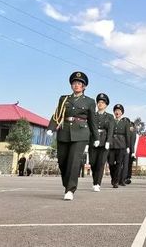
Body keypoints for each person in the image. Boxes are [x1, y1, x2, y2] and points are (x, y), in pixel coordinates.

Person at [46, 71, 98, 201]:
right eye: (74, 83)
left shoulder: (90, 102)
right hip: (64, 132)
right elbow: (57, 114)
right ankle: (67, 184)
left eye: (79, 83)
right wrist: (51, 128)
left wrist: (96, 137)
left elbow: (92, 121)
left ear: (84, 86)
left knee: (74, 162)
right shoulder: (64, 99)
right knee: (62, 161)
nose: (76, 85)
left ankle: (70, 189)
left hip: (81, 133)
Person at [90, 93, 114, 192]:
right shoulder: (92, 115)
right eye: (99, 102)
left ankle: (97, 183)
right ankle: (95, 181)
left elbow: (111, 130)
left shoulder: (109, 116)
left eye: (102, 102)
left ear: (106, 105)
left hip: (104, 141)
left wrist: (108, 141)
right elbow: (89, 128)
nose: (100, 104)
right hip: (93, 140)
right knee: (92, 162)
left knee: (100, 163)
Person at [108, 104, 133, 188]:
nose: (117, 112)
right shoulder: (111, 121)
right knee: (111, 163)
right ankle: (113, 178)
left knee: (119, 164)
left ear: (122, 113)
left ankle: (115, 181)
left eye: (119, 111)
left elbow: (127, 135)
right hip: (112, 144)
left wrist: (128, 147)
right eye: (116, 110)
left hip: (121, 145)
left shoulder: (125, 123)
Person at [123, 120, 137, 185]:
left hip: (130, 150)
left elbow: (132, 142)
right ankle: (122, 177)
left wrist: (133, 152)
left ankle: (127, 177)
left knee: (128, 164)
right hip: (121, 148)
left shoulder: (132, 131)